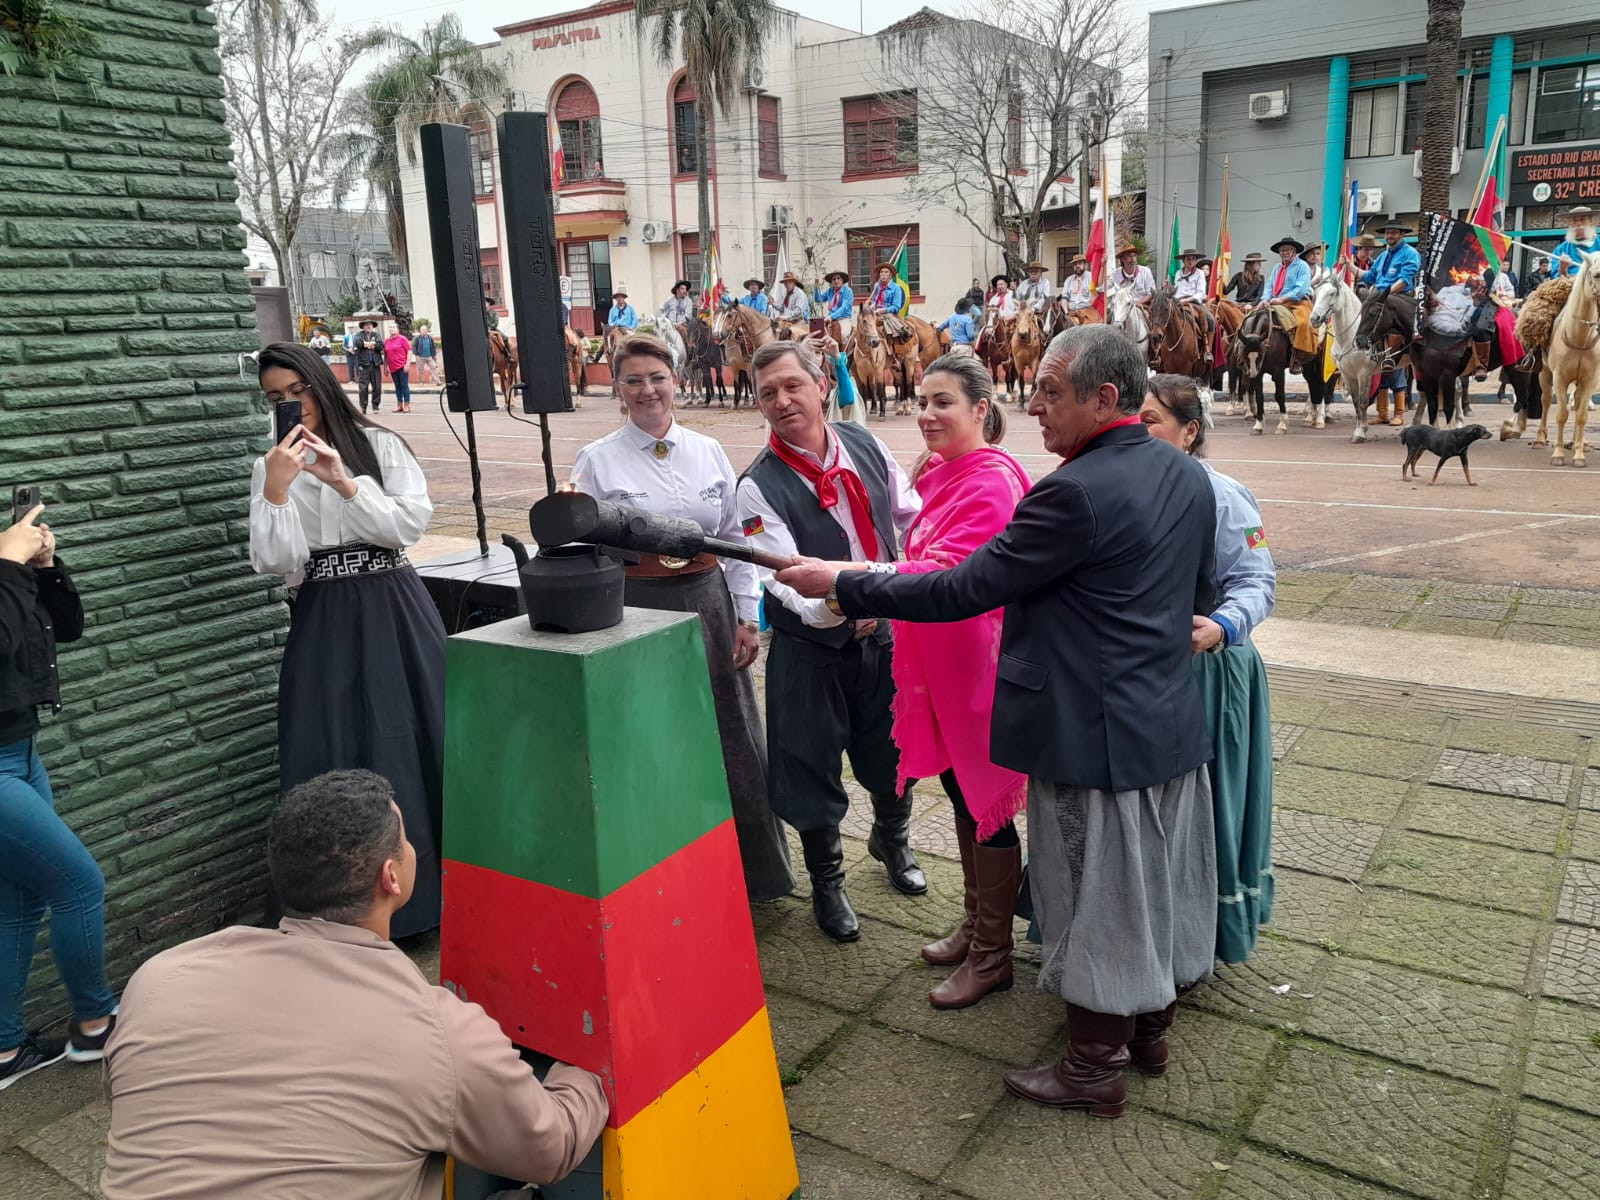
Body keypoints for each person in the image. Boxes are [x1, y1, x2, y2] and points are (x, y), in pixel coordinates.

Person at [776, 324, 1218, 1118]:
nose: (1035, 406)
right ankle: (1147, 1031)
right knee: (1153, 887)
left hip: (1092, 734)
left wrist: (847, 581)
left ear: (1104, 398)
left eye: (1051, 392)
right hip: (1167, 722)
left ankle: (1093, 1067)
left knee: (1095, 895)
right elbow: (1200, 594)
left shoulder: (1071, 491)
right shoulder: (1182, 474)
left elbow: (963, 588)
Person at [101, 769, 608, 1199]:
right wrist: (590, 1066)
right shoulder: (438, 1034)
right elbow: (552, 1146)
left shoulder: (159, 980)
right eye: (406, 840)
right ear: (391, 876)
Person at [818, 355, 1031, 1009]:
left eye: (944, 402)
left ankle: (995, 955)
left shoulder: (992, 482)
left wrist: (844, 582)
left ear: (979, 410)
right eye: (921, 400)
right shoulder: (937, 472)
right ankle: (975, 923)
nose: (928, 414)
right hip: (938, 663)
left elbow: (944, 571)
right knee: (961, 794)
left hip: (978, 668)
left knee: (984, 805)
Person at [571, 336, 795, 903]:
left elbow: (737, 537)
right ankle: (664, 877)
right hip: (637, 606)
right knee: (650, 737)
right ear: (618, 390)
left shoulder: (708, 450)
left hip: (709, 601)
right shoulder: (597, 460)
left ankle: (756, 872)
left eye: (657, 377)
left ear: (676, 380)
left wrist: (749, 614)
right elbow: (584, 550)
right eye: (633, 381)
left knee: (732, 733)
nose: (648, 390)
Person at [249, 343, 446, 939]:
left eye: (296, 392)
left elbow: (408, 526)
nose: (289, 406)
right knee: (327, 740)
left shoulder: (379, 446)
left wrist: (341, 480)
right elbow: (275, 561)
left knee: (416, 737)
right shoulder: (269, 467)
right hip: (323, 613)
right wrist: (278, 491)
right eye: (275, 399)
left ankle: (430, 895)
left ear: (319, 384)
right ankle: (341, 910)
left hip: (394, 604)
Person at [735, 340, 926, 942]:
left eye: (793, 385)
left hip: (885, 638)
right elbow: (787, 582)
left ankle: (891, 842)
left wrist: (913, 579)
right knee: (809, 763)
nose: (783, 401)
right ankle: (828, 881)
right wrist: (854, 601)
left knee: (896, 751)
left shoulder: (866, 444)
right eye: (768, 393)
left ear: (821, 385)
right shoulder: (757, 486)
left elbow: (908, 518)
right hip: (812, 649)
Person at [1138, 375, 1275, 965]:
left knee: (1208, 802)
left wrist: (1221, 625)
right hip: (1139, 671)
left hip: (1210, 673)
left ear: (1190, 431)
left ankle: (1202, 937)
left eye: (1150, 422)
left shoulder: (1227, 495)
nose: (1137, 434)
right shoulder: (1124, 491)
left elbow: (1258, 580)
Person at [0, 504, 118, 1092]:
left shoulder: (9, 572)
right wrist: (9, 565)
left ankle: (3, 1049)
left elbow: (63, 628)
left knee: (18, 899)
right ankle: (96, 1024)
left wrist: (44, 568)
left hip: (21, 753)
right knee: (78, 885)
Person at [1260, 236, 1318, 367]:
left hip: (1298, 302)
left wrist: (1282, 299)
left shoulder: (1302, 266)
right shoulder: (1277, 268)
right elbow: (1270, 286)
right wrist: (1264, 299)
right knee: (1255, 319)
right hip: (1275, 301)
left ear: (1294, 251)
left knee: (1303, 323)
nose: (1284, 253)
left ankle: (1299, 355)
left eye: (1287, 250)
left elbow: (1301, 289)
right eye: (1282, 250)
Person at [1171, 249, 1216, 365]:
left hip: (1194, 301)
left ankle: (1208, 350)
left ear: (1196, 261)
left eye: (1192, 259)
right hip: (1178, 301)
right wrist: (1170, 289)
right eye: (1187, 259)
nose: (1190, 261)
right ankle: (1159, 349)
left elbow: (1201, 293)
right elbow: (1176, 290)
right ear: (1183, 261)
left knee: (1211, 320)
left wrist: (1187, 299)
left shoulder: (1200, 273)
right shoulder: (1178, 273)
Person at [1360, 221, 1420, 294]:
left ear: (1402, 234)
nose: (1389, 236)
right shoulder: (1382, 256)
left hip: (1400, 297)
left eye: (1394, 233)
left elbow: (1404, 281)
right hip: (1379, 296)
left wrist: (1383, 295)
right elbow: (1369, 276)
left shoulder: (1410, 253)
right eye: (1387, 233)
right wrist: (1349, 265)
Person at [1551, 206, 1598, 277]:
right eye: (1574, 220)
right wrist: (1562, 269)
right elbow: (1556, 281)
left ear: (1591, 221)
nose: (1578, 223)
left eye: (1582, 219)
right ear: (1569, 223)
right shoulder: (1560, 250)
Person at [353, 319, 385, 414]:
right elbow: (359, 343)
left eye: (370, 325)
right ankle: (363, 407)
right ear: (363, 326)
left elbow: (380, 345)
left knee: (377, 387)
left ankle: (375, 406)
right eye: (366, 325)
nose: (368, 326)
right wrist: (372, 344)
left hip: (375, 364)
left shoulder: (376, 335)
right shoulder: (359, 335)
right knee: (363, 387)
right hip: (363, 365)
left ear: (372, 326)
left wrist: (367, 345)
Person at [384, 324, 413, 414]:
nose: (392, 329)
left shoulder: (402, 339)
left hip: (402, 366)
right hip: (393, 368)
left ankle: (407, 405)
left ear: (397, 329)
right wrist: (385, 367)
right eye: (390, 327)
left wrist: (408, 363)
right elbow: (386, 355)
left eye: (394, 327)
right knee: (397, 386)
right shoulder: (387, 341)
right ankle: (399, 405)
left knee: (404, 385)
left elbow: (409, 351)